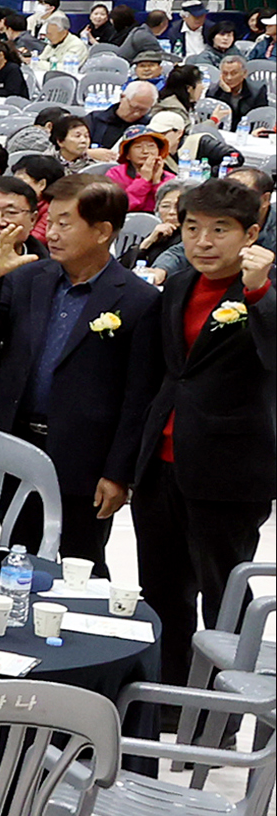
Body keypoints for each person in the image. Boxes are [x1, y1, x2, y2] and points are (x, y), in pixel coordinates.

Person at [0, 174, 161, 571]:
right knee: (14, 556)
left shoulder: (139, 300)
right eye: (49, 221)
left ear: (102, 231)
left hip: (83, 458)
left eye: (65, 223)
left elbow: (140, 396)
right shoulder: (29, 276)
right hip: (12, 442)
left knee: (79, 566)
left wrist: (119, 473)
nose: (50, 233)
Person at [131, 178, 277, 681]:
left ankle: (228, 706)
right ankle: (169, 696)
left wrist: (260, 293)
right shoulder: (178, 286)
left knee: (225, 592)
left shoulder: (264, 290)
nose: (203, 242)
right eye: (193, 229)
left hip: (230, 469)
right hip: (162, 461)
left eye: (220, 230)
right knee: (162, 589)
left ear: (251, 233)